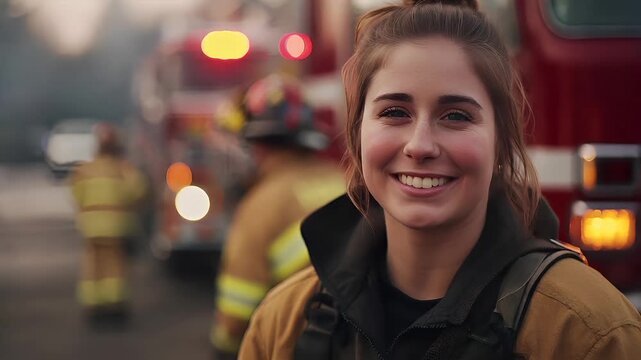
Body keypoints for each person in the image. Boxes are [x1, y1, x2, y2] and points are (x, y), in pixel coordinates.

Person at [238, 1, 641, 359]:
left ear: (501, 143)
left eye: (456, 116)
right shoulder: (282, 325)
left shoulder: (588, 333)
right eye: (395, 112)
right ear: (358, 131)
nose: (420, 145)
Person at [210, 74, 345, 359]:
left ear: (255, 143)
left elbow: (236, 316)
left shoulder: (260, 206)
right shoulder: (344, 181)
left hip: (297, 341)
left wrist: (222, 348)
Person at [71, 122, 148, 318]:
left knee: (93, 264)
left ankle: (93, 302)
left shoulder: (85, 169)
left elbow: (76, 193)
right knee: (115, 264)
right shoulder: (123, 169)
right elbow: (139, 190)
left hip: (91, 227)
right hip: (116, 226)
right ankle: (114, 303)